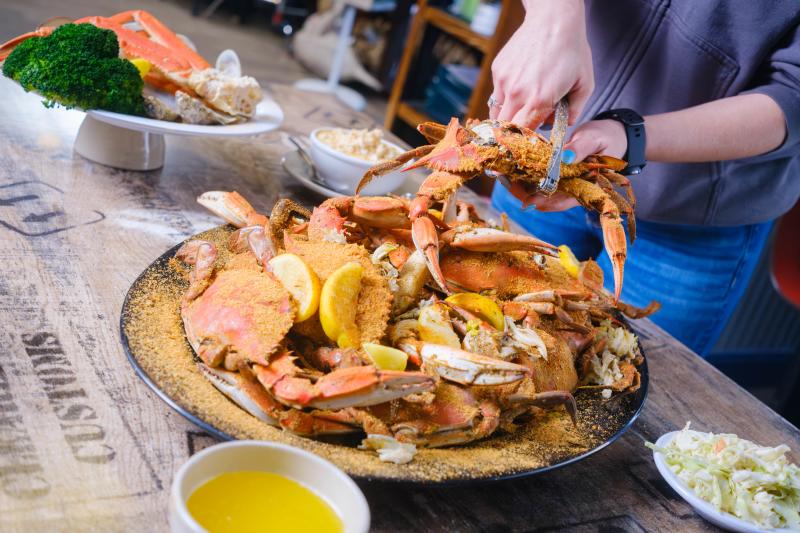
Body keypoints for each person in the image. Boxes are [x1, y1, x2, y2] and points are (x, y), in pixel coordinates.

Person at [488, 0, 800, 355]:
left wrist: (631, 136)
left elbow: (793, 95)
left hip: (690, 219)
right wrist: (553, 20)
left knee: (622, 368)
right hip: (546, 161)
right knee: (480, 321)